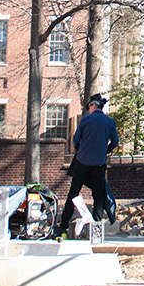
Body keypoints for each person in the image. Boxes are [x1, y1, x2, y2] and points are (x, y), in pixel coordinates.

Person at [55, 93, 119, 237]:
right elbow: (115, 142)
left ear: (93, 105)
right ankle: (96, 228)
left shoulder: (85, 120)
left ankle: (63, 226)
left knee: (73, 194)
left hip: (81, 163)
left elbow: (75, 140)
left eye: (88, 106)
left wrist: (81, 150)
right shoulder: (109, 122)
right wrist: (104, 151)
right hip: (98, 164)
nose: (88, 110)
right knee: (98, 196)